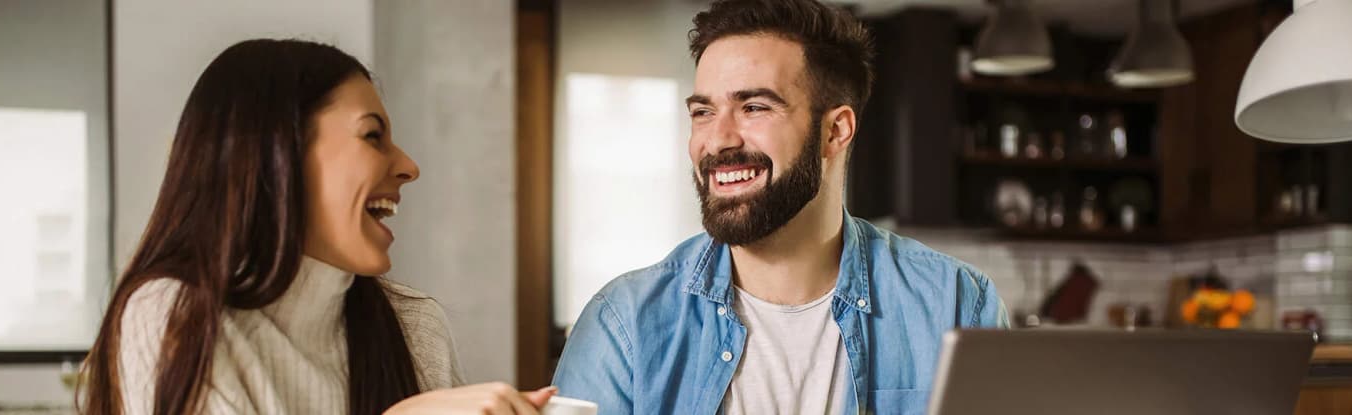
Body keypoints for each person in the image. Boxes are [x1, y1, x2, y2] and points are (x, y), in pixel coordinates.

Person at [551, 0, 1009, 413]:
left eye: (753, 107)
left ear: (835, 131)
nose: (718, 140)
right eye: (703, 112)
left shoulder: (956, 305)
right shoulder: (623, 323)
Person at [77, 39, 554, 415]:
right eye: (373, 136)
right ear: (275, 154)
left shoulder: (416, 326)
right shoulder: (174, 316)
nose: (409, 166)